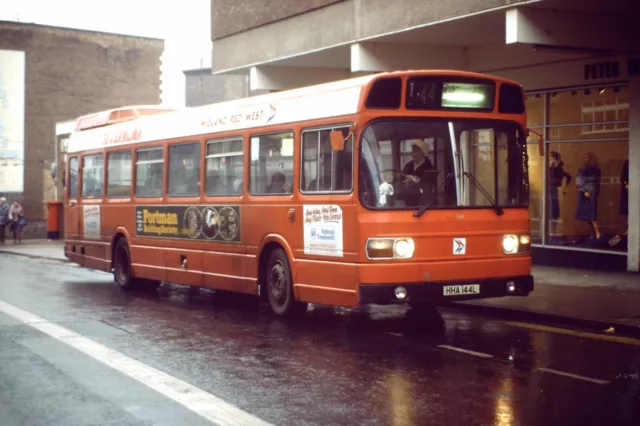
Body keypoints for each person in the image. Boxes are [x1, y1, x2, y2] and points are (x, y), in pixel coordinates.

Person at [575, 152, 602, 240]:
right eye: (584, 157)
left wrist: (596, 194)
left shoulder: (596, 170)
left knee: (592, 214)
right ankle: (594, 233)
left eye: (587, 157)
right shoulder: (583, 169)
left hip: (591, 192)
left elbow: (597, 183)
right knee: (587, 214)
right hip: (585, 192)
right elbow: (579, 181)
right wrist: (585, 190)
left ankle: (597, 233)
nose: (585, 159)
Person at [400, 140, 434, 206]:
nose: (413, 154)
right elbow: (402, 174)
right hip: (408, 198)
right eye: (412, 151)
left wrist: (413, 179)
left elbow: (426, 183)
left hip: (423, 202)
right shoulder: (409, 164)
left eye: (416, 151)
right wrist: (406, 177)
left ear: (423, 153)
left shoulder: (428, 166)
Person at [548, 151, 572, 241]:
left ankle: (553, 233)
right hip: (550, 190)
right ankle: (551, 233)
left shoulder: (557, 168)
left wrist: (564, 187)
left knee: (553, 212)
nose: (550, 159)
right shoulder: (552, 167)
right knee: (551, 212)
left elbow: (568, 176)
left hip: (553, 190)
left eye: (551, 157)